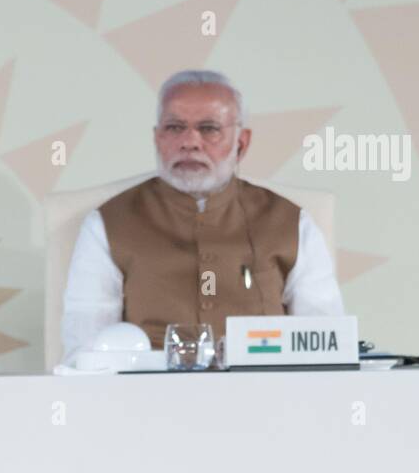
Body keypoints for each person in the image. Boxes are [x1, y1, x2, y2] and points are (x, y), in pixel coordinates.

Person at [61, 70, 343, 357]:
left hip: (264, 392)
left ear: (241, 144)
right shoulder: (110, 223)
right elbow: (87, 351)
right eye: (174, 127)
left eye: (209, 128)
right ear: (157, 138)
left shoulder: (292, 224)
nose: (190, 142)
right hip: (147, 395)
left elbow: (325, 345)